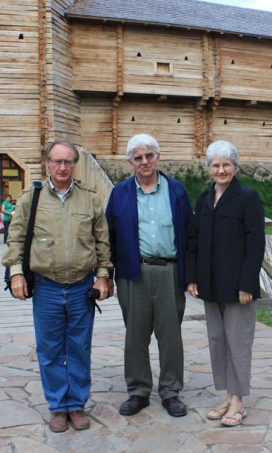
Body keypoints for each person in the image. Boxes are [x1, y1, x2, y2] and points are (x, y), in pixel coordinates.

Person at [2, 141, 112, 433]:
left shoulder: (89, 199)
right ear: (47, 163)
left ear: (75, 164)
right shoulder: (31, 198)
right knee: (49, 350)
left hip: (80, 286)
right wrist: (16, 273)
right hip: (47, 287)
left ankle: (76, 405)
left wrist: (103, 275)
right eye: (56, 161)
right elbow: (15, 238)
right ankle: (57, 407)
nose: (62, 167)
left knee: (79, 348)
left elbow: (102, 241)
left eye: (68, 162)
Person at [105, 134, 194, 418]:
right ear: (130, 162)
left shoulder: (177, 191)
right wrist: (106, 273)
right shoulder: (120, 193)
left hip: (169, 270)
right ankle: (138, 391)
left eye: (149, 155)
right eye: (138, 157)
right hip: (134, 272)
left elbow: (190, 235)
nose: (144, 161)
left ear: (158, 157)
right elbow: (109, 235)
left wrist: (190, 275)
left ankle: (170, 391)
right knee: (136, 335)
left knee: (170, 336)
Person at [185, 140, 265, 427]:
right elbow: (194, 239)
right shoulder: (205, 199)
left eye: (226, 164)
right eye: (216, 165)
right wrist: (192, 277)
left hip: (237, 286)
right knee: (218, 341)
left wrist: (247, 283)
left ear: (236, 167)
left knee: (238, 342)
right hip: (210, 284)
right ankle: (228, 396)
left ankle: (239, 401)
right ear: (208, 169)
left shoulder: (247, 197)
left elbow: (256, 244)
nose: (221, 170)